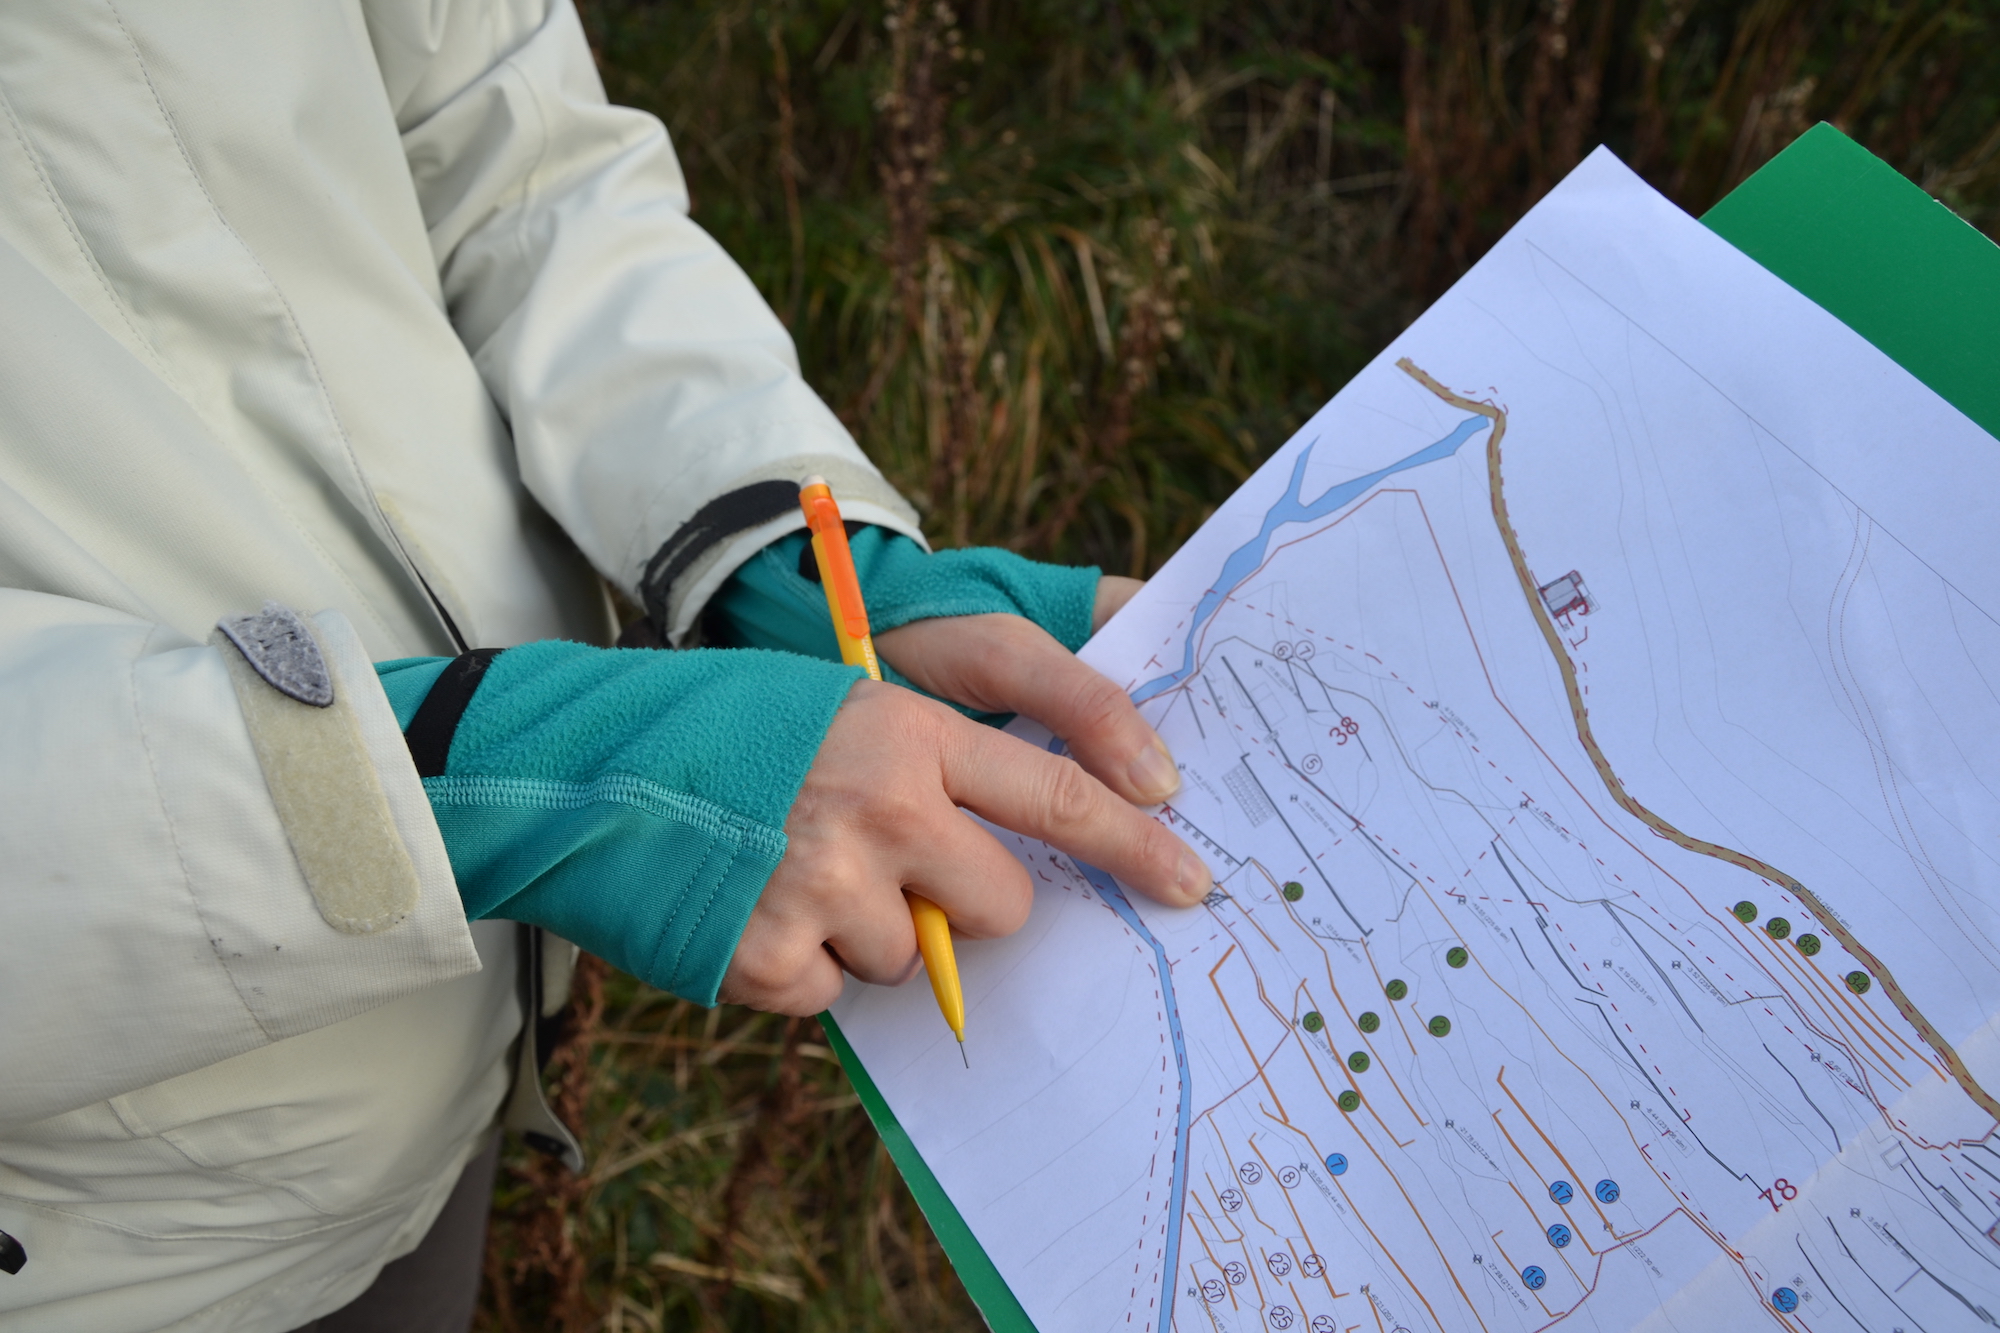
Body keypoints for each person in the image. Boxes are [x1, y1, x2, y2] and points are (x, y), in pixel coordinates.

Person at [0, 2, 1209, 1329]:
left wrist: (771, 547)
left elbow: (515, 152)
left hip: (442, 1082)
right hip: (100, 1237)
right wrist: (509, 766)